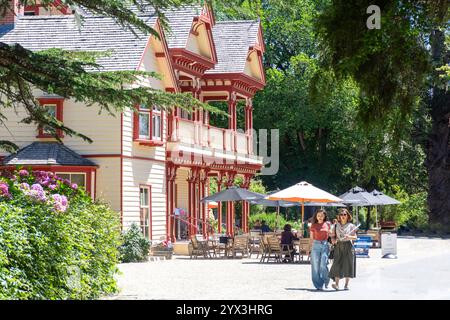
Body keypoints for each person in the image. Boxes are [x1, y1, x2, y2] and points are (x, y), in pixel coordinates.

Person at [329, 208, 357, 291]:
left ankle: (346, 284)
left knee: (348, 264)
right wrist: (333, 239)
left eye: (345, 214)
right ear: (339, 216)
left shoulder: (351, 226)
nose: (343, 216)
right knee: (337, 264)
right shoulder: (336, 225)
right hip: (339, 245)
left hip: (348, 245)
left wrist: (349, 237)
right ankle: (337, 284)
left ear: (348, 216)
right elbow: (332, 236)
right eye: (341, 214)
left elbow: (355, 237)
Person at [309, 209, 332, 290]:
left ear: (325, 216)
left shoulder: (328, 224)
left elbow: (331, 234)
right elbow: (311, 238)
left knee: (323, 264)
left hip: (325, 245)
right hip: (315, 245)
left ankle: (326, 282)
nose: (320, 217)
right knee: (315, 265)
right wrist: (309, 248)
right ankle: (318, 285)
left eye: (322, 215)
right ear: (316, 216)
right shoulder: (313, 225)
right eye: (318, 215)